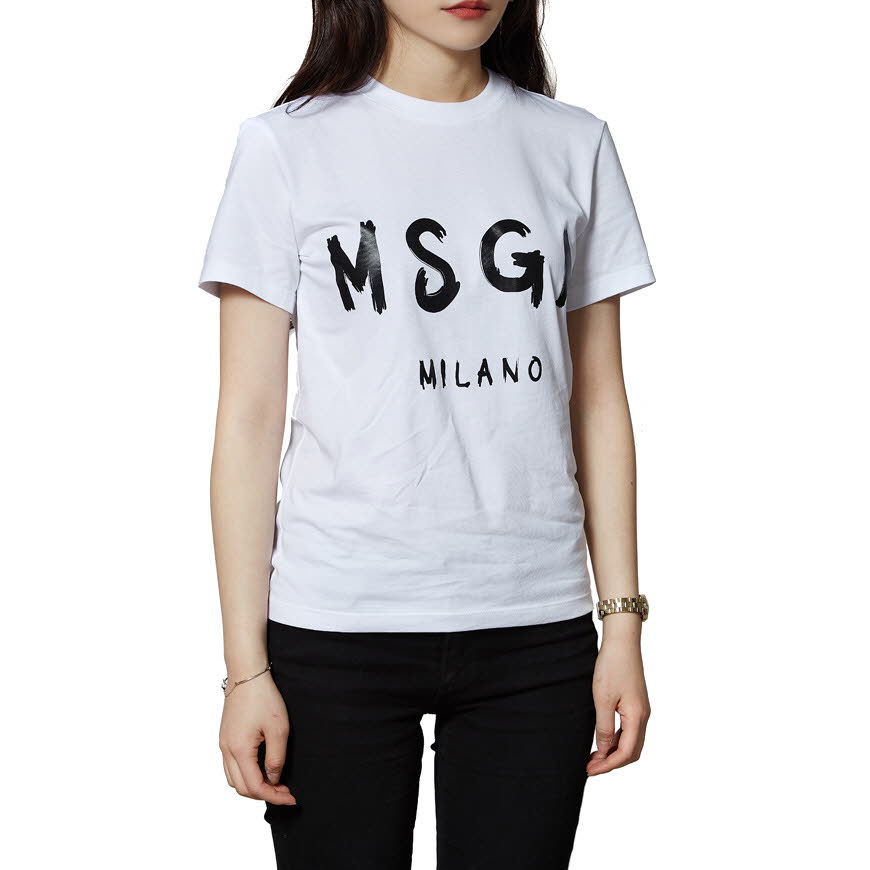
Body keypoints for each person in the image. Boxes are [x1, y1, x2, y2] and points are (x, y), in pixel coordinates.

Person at [199, 1, 654, 867]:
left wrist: (623, 623)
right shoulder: (284, 147)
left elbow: (599, 400)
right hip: (337, 625)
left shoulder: (573, 143)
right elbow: (248, 422)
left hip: (535, 629)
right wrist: (244, 668)